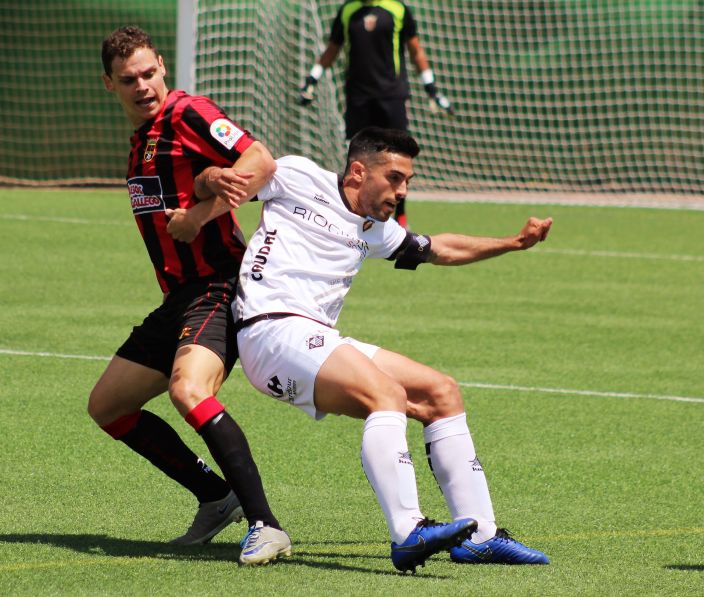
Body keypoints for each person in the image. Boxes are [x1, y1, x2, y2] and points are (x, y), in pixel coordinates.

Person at [231, 127, 552, 571]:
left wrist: (513, 244)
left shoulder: (377, 230)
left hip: (316, 337)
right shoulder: (297, 176)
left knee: (441, 391)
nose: (401, 191)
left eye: (408, 182)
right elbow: (238, 178)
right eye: (395, 178)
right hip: (268, 332)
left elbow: (440, 248)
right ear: (359, 171)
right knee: (388, 395)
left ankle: (480, 534)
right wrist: (202, 192)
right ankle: (407, 532)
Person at [90, 25, 291, 566]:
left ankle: (266, 525)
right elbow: (201, 178)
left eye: (149, 72)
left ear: (163, 67)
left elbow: (261, 161)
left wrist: (200, 214)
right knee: (108, 407)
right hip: (179, 296)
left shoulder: (187, 112)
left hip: (220, 284)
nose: (143, 85)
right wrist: (203, 187)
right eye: (128, 78)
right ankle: (214, 496)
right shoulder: (142, 140)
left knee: (189, 391)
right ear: (109, 85)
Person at [297, 0, 452, 229]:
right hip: (358, 97)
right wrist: (312, 79)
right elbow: (332, 48)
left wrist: (432, 90)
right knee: (356, 158)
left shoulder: (397, 9)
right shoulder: (348, 11)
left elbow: (415, 49)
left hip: (392, 96)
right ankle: (352, 215)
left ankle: (400, 219)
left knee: (398, 157)